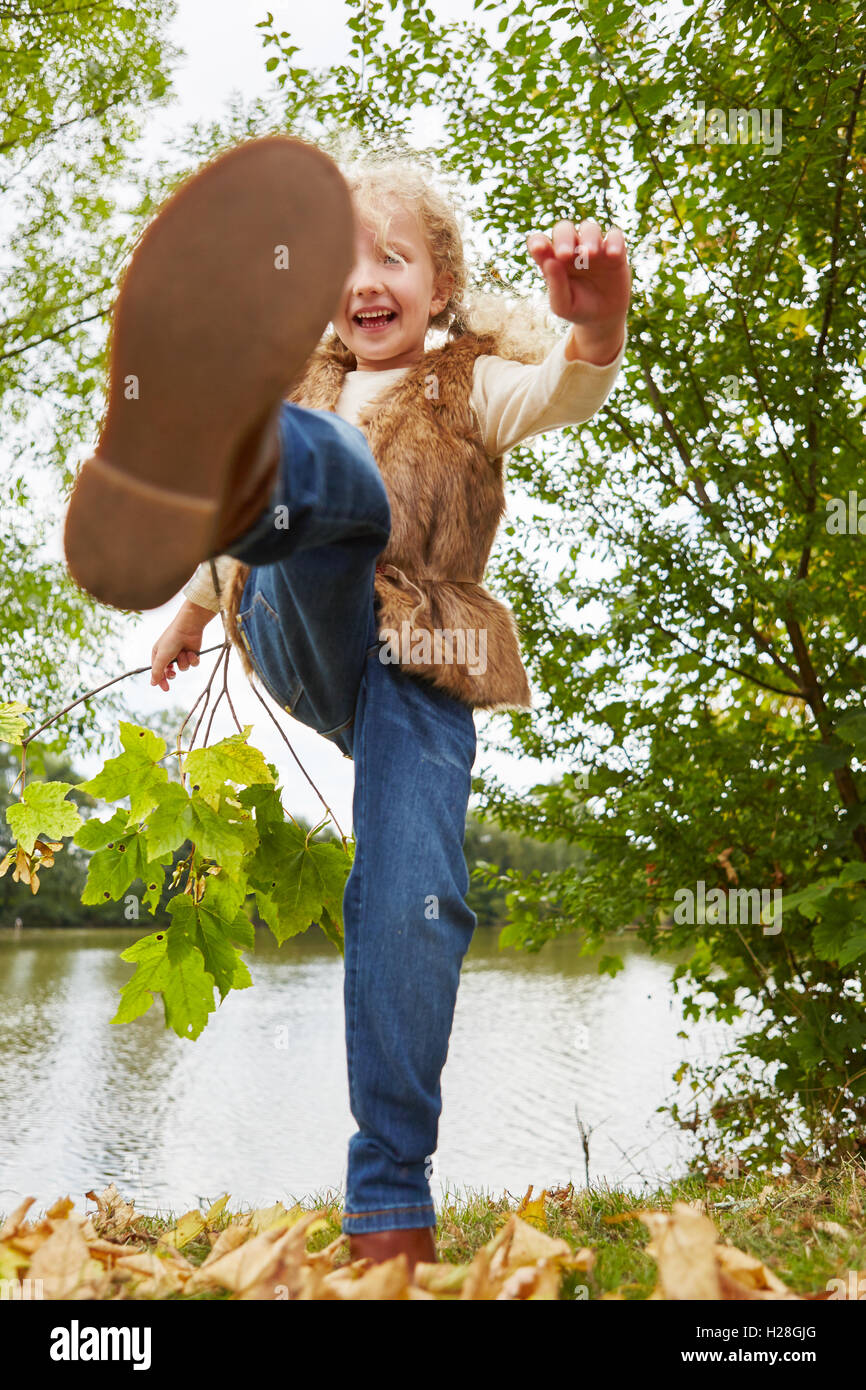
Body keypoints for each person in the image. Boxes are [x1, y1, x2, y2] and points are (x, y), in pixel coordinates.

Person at [63, 135, 630, 1279]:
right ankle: (216, 456)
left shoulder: (470, 379)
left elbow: (563, 386)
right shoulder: (311, 381)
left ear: (442, 284)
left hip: (422, 665)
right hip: (303, 617)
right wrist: (192, 605)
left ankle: (386, 1209)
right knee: (331, 479)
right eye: (343, 262)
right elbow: (238, 575)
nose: (367, 279)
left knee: (417, 896)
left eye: (395, 257)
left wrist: (598, 325)